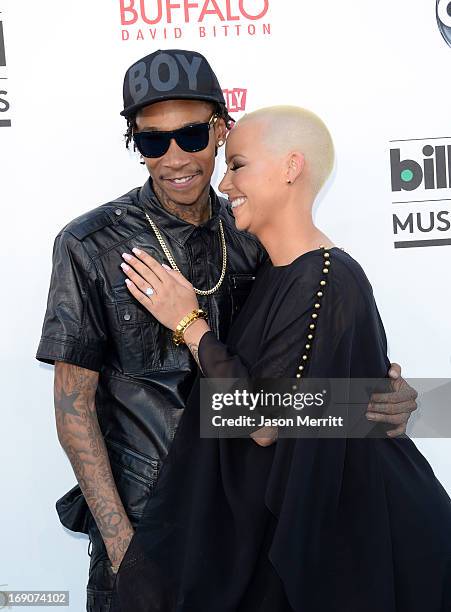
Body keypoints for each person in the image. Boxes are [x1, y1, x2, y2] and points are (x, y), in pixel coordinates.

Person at [35, 50, 416, 612]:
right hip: (145, 526)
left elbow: (287, 394)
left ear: (220, 129)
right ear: (135, 146)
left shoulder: (255, 236)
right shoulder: (89, 244)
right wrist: (122, 549)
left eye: (191, 135)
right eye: (151, 141)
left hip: (243, 537)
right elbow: (74, 409)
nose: (174, 158)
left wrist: (375, 402)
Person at [111, 107, 451, 611]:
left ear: (291, 168)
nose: (225, 183)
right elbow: (323, 404)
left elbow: (264, 421)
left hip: (357, 552)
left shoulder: (327, 278)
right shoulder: (282, 274)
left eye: (239, 165)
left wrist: (188, 322)